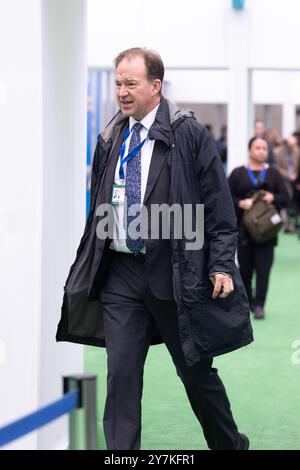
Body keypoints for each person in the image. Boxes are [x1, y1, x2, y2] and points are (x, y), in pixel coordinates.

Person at [56, 47, 253, 450]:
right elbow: (101, 204)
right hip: (122, 274)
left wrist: (220, 265)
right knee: (121, 374)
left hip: (175, 272)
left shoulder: (188, 133)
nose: (122, 92)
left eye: (131, 83)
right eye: (118, 83)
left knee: (196, 374)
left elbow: (219, 210)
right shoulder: (112, 135)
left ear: (156, 86)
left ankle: (230, 445)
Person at [228, 137, 288, 320]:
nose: (262, 151)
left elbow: (286, 198)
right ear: (250, 150)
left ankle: (260, 305)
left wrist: (273, 198)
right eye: (258, 148)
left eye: (264, 148)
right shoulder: (238, 173)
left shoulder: (274, 174)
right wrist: (241, 203)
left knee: (264, 269)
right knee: (245, 269)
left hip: (267, 232)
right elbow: (226, 198)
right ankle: (248, 301)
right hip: (244, 230)